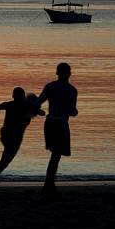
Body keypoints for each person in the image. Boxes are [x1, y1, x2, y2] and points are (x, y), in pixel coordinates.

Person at [33, 62, 78, 195]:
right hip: (61, 123)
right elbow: (72, 111)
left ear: (57, 73)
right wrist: (73, 111)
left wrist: (37, 112)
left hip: (50, 122)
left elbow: (37, 103)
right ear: (69, 74)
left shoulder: (50, 86)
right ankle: (48, 185)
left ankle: (49, 184)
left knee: (55, 154)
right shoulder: (71, 90)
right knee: (56, 156)